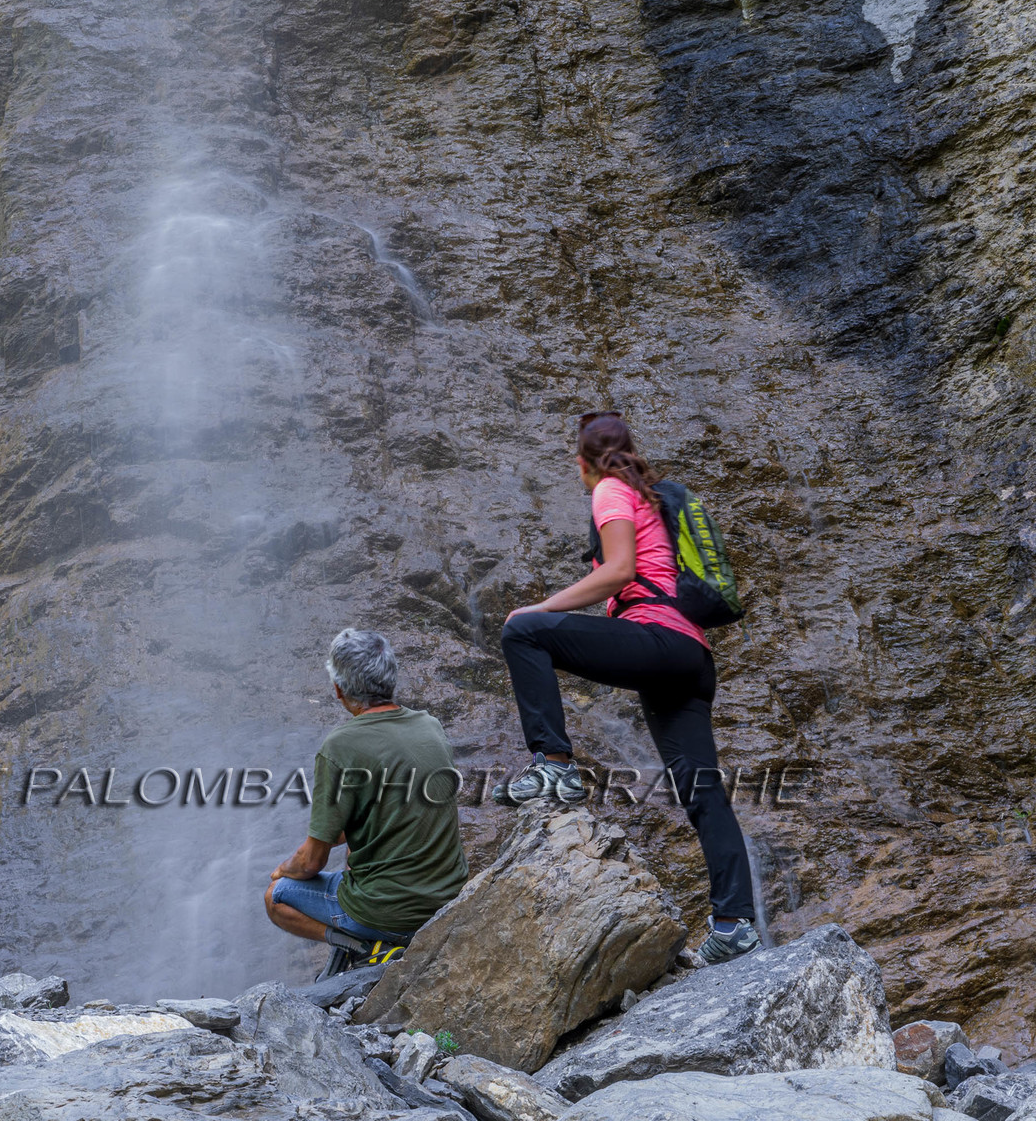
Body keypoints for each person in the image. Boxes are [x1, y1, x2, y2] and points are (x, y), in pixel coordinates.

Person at [497, 412, 759, 966]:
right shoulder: (652, 497)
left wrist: (539, 608)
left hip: (656, 641)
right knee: (703, 790)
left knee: (522, 630)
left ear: (582, 462)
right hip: (691, 658)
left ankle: (556, 766)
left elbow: (618, 572)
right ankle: (734, 923)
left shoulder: (612, 489)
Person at [265, 627, 468, 955]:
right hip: (447, 898)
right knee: (351, 853)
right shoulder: (430, 726)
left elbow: (311, 862)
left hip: (389, 913)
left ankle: (362, 946)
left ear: (338, 689)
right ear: (391, 678)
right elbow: (388, 811)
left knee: (276, 895)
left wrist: (283, 868)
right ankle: (385, 933)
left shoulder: (340, 746)